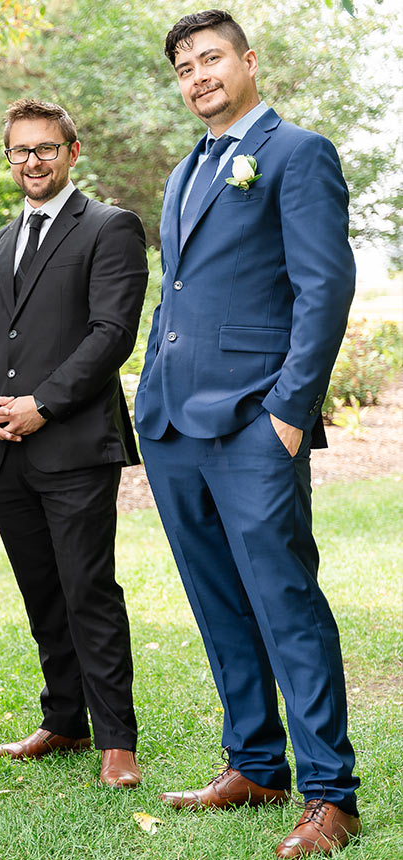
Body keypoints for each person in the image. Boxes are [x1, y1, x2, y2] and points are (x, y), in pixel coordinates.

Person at [135, 10, 358, 857]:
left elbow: (323, 288)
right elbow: (181, 292)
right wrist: (148, 389)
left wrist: (289, 416)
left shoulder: (298, 154)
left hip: (254, 427)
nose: (197, 75)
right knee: (217, 601)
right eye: (184, 66)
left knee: (284, 601)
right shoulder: (188, 168)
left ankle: (329, 793)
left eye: (211, 58)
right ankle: (255, 762)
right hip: (170, 425)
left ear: (249, 61)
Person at [0, 99, 148, 787]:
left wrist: (42, 405)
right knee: (40, 590)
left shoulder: (108, 227)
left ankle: (115, 739)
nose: (31, 161)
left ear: (72, 150)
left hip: (73, 445)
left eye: (44, 148)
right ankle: (63, 720)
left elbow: (111, 334)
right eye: (19, 151)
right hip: (4, 448)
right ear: (8, 158)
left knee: (87, 588)